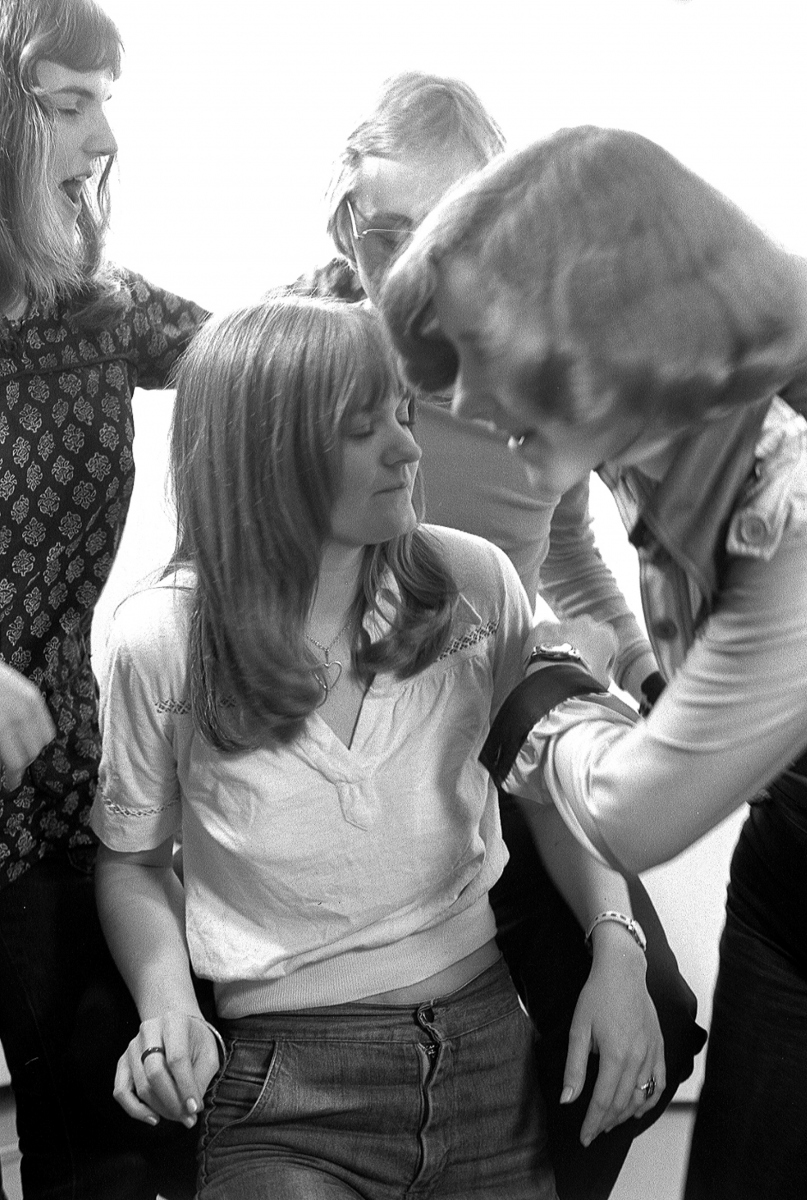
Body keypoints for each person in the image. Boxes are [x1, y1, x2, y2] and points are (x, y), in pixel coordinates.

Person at [90, 296, 667, 1200]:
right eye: (365, 430)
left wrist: (617, 949)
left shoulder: (474, 583)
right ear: (262, 456)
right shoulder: (160, 639)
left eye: (404, 414)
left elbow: (552, 788)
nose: (408, 450)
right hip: (285, 1084)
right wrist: (167, 1006)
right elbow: (131, 862)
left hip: (488, 1056)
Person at [380, 123, 807, 1200]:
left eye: (480, 352)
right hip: (790, 874)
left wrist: (527, 678)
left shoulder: (793, 485)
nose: (462, 405)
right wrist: (647, 678)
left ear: (598, 311)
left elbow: (633, 811)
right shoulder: (651, 412)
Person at [324, 71, 705, 1200]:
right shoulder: (302, 352)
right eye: (383, 233)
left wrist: (640, 669)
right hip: (345, 761)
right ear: (344, 223)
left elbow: (567, 538)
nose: (409, 267)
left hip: (499, 729)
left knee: (654, 1015)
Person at [0, 1, 209, 1195]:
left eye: (107, 103)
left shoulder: (98, 309)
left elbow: (259, 358)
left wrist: (384, 270)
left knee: (109, 1153)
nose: (105, 138)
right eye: (68, 102)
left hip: (56, 799)